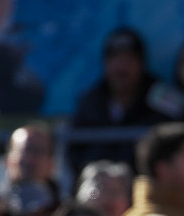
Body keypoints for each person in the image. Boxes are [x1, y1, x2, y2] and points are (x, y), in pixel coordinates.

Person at [67, 27, 176, 176]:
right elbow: (74, 155)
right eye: (115, 58)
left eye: (130, 58)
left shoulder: (162, 99)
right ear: (106, 63)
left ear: (142, 63)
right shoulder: (89, 103)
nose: (122, 66)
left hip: (146, 189)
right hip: (98, 191)